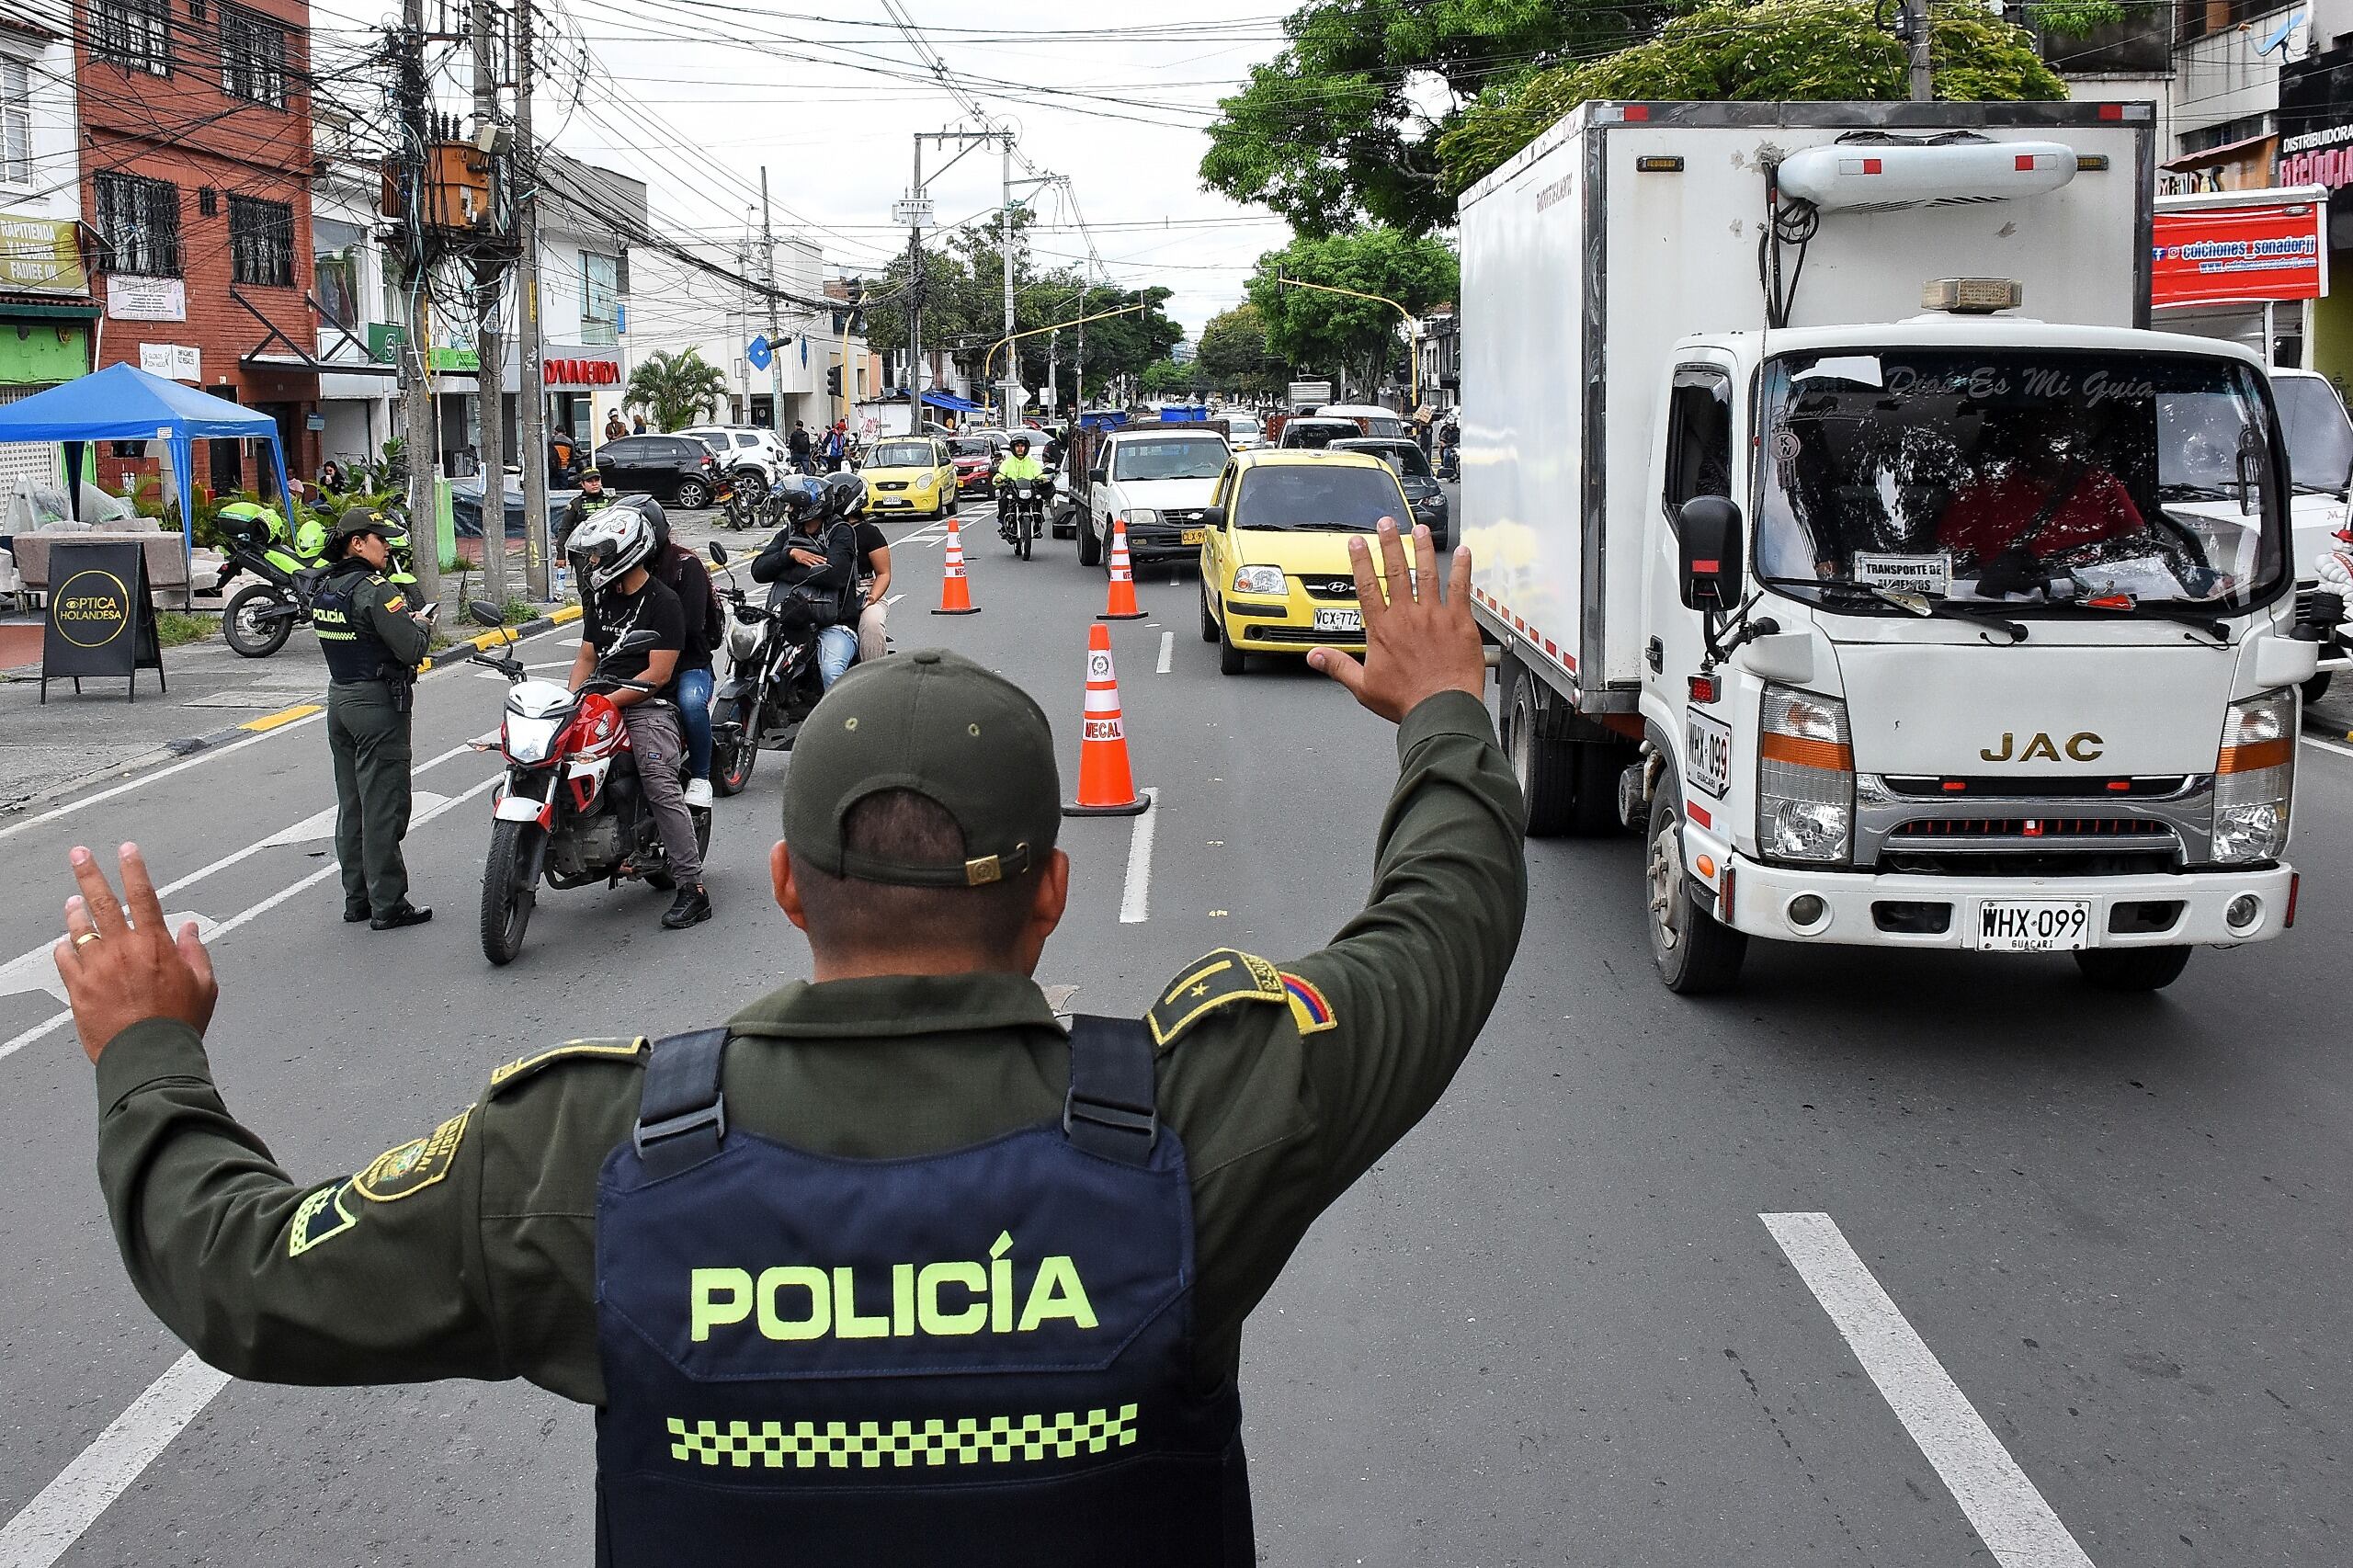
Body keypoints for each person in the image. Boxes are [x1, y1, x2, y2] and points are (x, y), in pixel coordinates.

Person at [55, 518, 1519, 1564]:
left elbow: (240, 1273)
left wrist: (150, 1051)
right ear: (1054, 890)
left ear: (789, 882)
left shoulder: (587, 1152)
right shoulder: (1203, 1115)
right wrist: (1445, 707)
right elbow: (1440, 929)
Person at [565, 507, 712, 930]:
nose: (592, 564)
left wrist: (611, 700)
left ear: (627, 554)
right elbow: (586, 657)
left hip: (648, 705)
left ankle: (693, 888)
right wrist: (573, 698)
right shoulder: (603, 599)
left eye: (598, 556)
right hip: (599, 701)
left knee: (659, 780)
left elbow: (659, 674)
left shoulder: (664, 603)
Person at [310, 511, 432, 931]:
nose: (388, 546)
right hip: (378, 704)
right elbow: (412, 648)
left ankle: (356, 898)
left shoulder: (326, 586)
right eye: (381, 539)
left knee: (353, 805)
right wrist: (421, 625)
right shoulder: (376, 591)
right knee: (383, 805)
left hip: (340, 699)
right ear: (358, 544)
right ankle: (388, 903)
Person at [642, 499, 725, 810]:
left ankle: (701, 776)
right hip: (637, 663)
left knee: (692, 704)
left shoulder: (685, 565)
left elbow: (690, 625)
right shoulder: (619, 572)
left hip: (689, 663)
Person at [751, 473, 859, 689]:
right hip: (789, 619)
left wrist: (783, 571)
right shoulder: (788, 534)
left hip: (833, 623)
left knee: (832, 672)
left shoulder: (841, 532)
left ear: (811, 507)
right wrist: (790, 555)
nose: (790, 511)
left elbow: (833, 576)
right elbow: (759, 571)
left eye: (793, 506)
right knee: (752, 659)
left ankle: (845, 722)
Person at [557, 466, 616, 548]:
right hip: (581, 550)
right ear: (583, 484)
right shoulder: (576, 503)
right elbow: (564, 529)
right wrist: (561, 556)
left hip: (606, 550)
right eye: (590, 481)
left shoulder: (611, 501)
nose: (594, 484)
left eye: (597, 480)